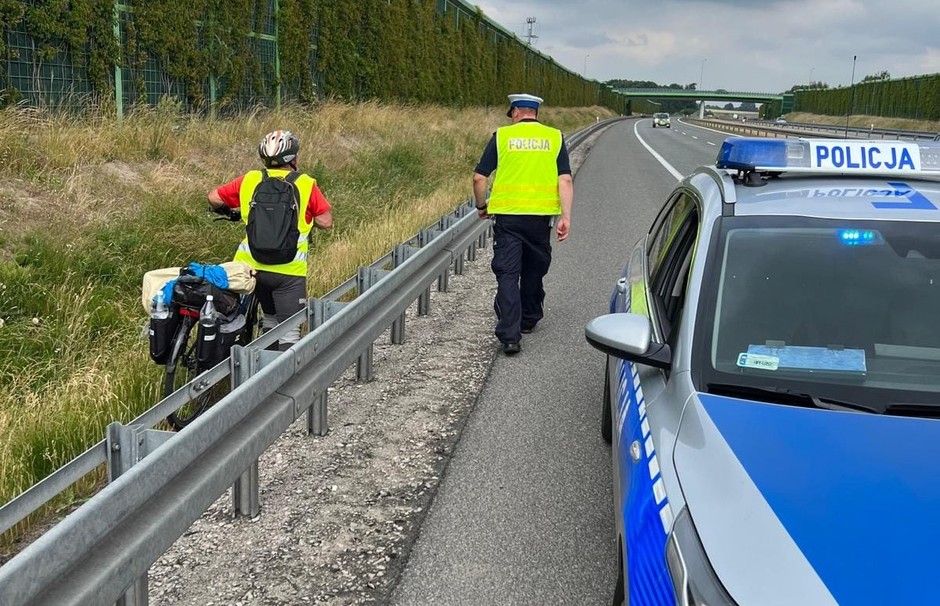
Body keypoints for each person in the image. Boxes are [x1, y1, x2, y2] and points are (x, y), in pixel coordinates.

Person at [207, 129, 333, 350]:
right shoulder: (305, 183)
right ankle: (285, 370)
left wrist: (232, 211)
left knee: (269, 317)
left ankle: (262, 364)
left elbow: (214, 197)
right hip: (288, 271)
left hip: (251, 268)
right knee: (289, 329)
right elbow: (325, 221)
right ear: (293, 159)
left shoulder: (250, 179)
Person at [472, 93, 574, 355]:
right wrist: (566, 216)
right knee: (533, 269)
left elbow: (479, 178)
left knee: (507, 273)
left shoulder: (502, 137)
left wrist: (482, 206)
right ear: (535, 112)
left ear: (516, 112)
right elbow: (565, 180)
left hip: (507, 218)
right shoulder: (554, 137)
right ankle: (528, 318)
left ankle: (509, 336)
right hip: (540, 219)